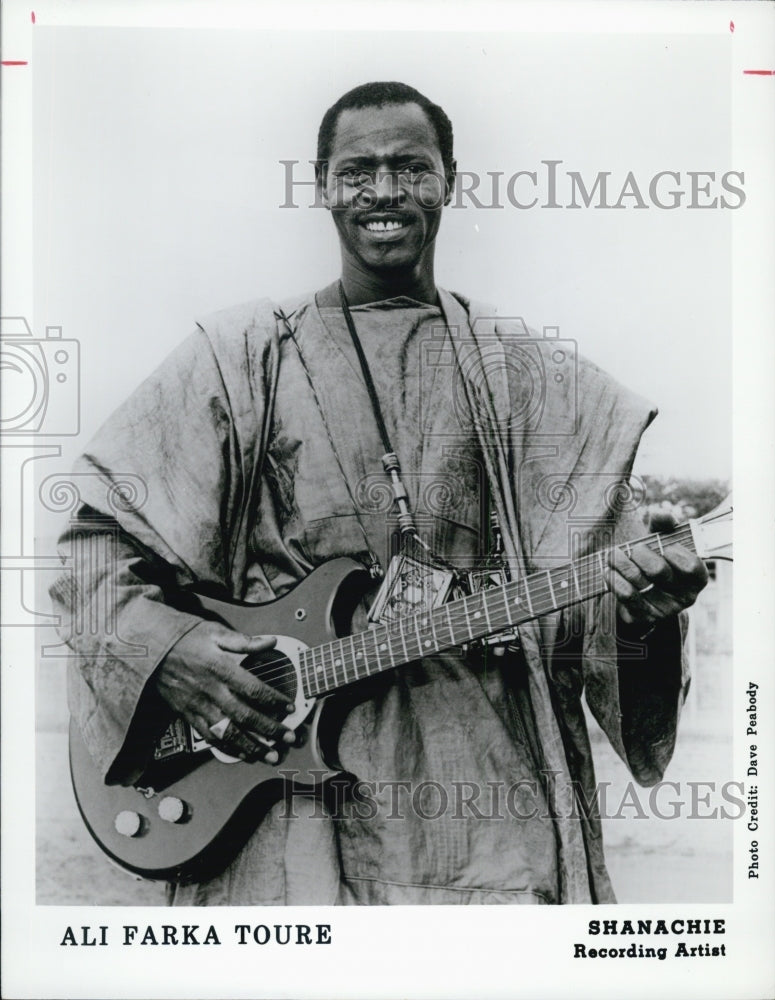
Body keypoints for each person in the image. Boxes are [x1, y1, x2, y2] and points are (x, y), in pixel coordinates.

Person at [51, 81, 708, 905]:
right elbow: (92, 556)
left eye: (410, 167)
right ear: (323, 185)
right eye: (358, 170)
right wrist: (172, 653)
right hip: (285, 822)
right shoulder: (239, 357)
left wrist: (648, 607)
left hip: (493, 823)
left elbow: (595, 608)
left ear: (451, 180)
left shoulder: (535, 379)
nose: (386, 192)